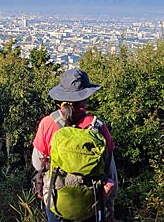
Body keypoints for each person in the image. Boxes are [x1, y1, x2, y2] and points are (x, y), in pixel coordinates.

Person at [32, 68, 118, 222]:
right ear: (85, 97)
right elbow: (110, 170)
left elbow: (38, 163)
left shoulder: (48, 123)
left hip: (56, 200)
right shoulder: (98, 127)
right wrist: (109, 205)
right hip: (91, 203)